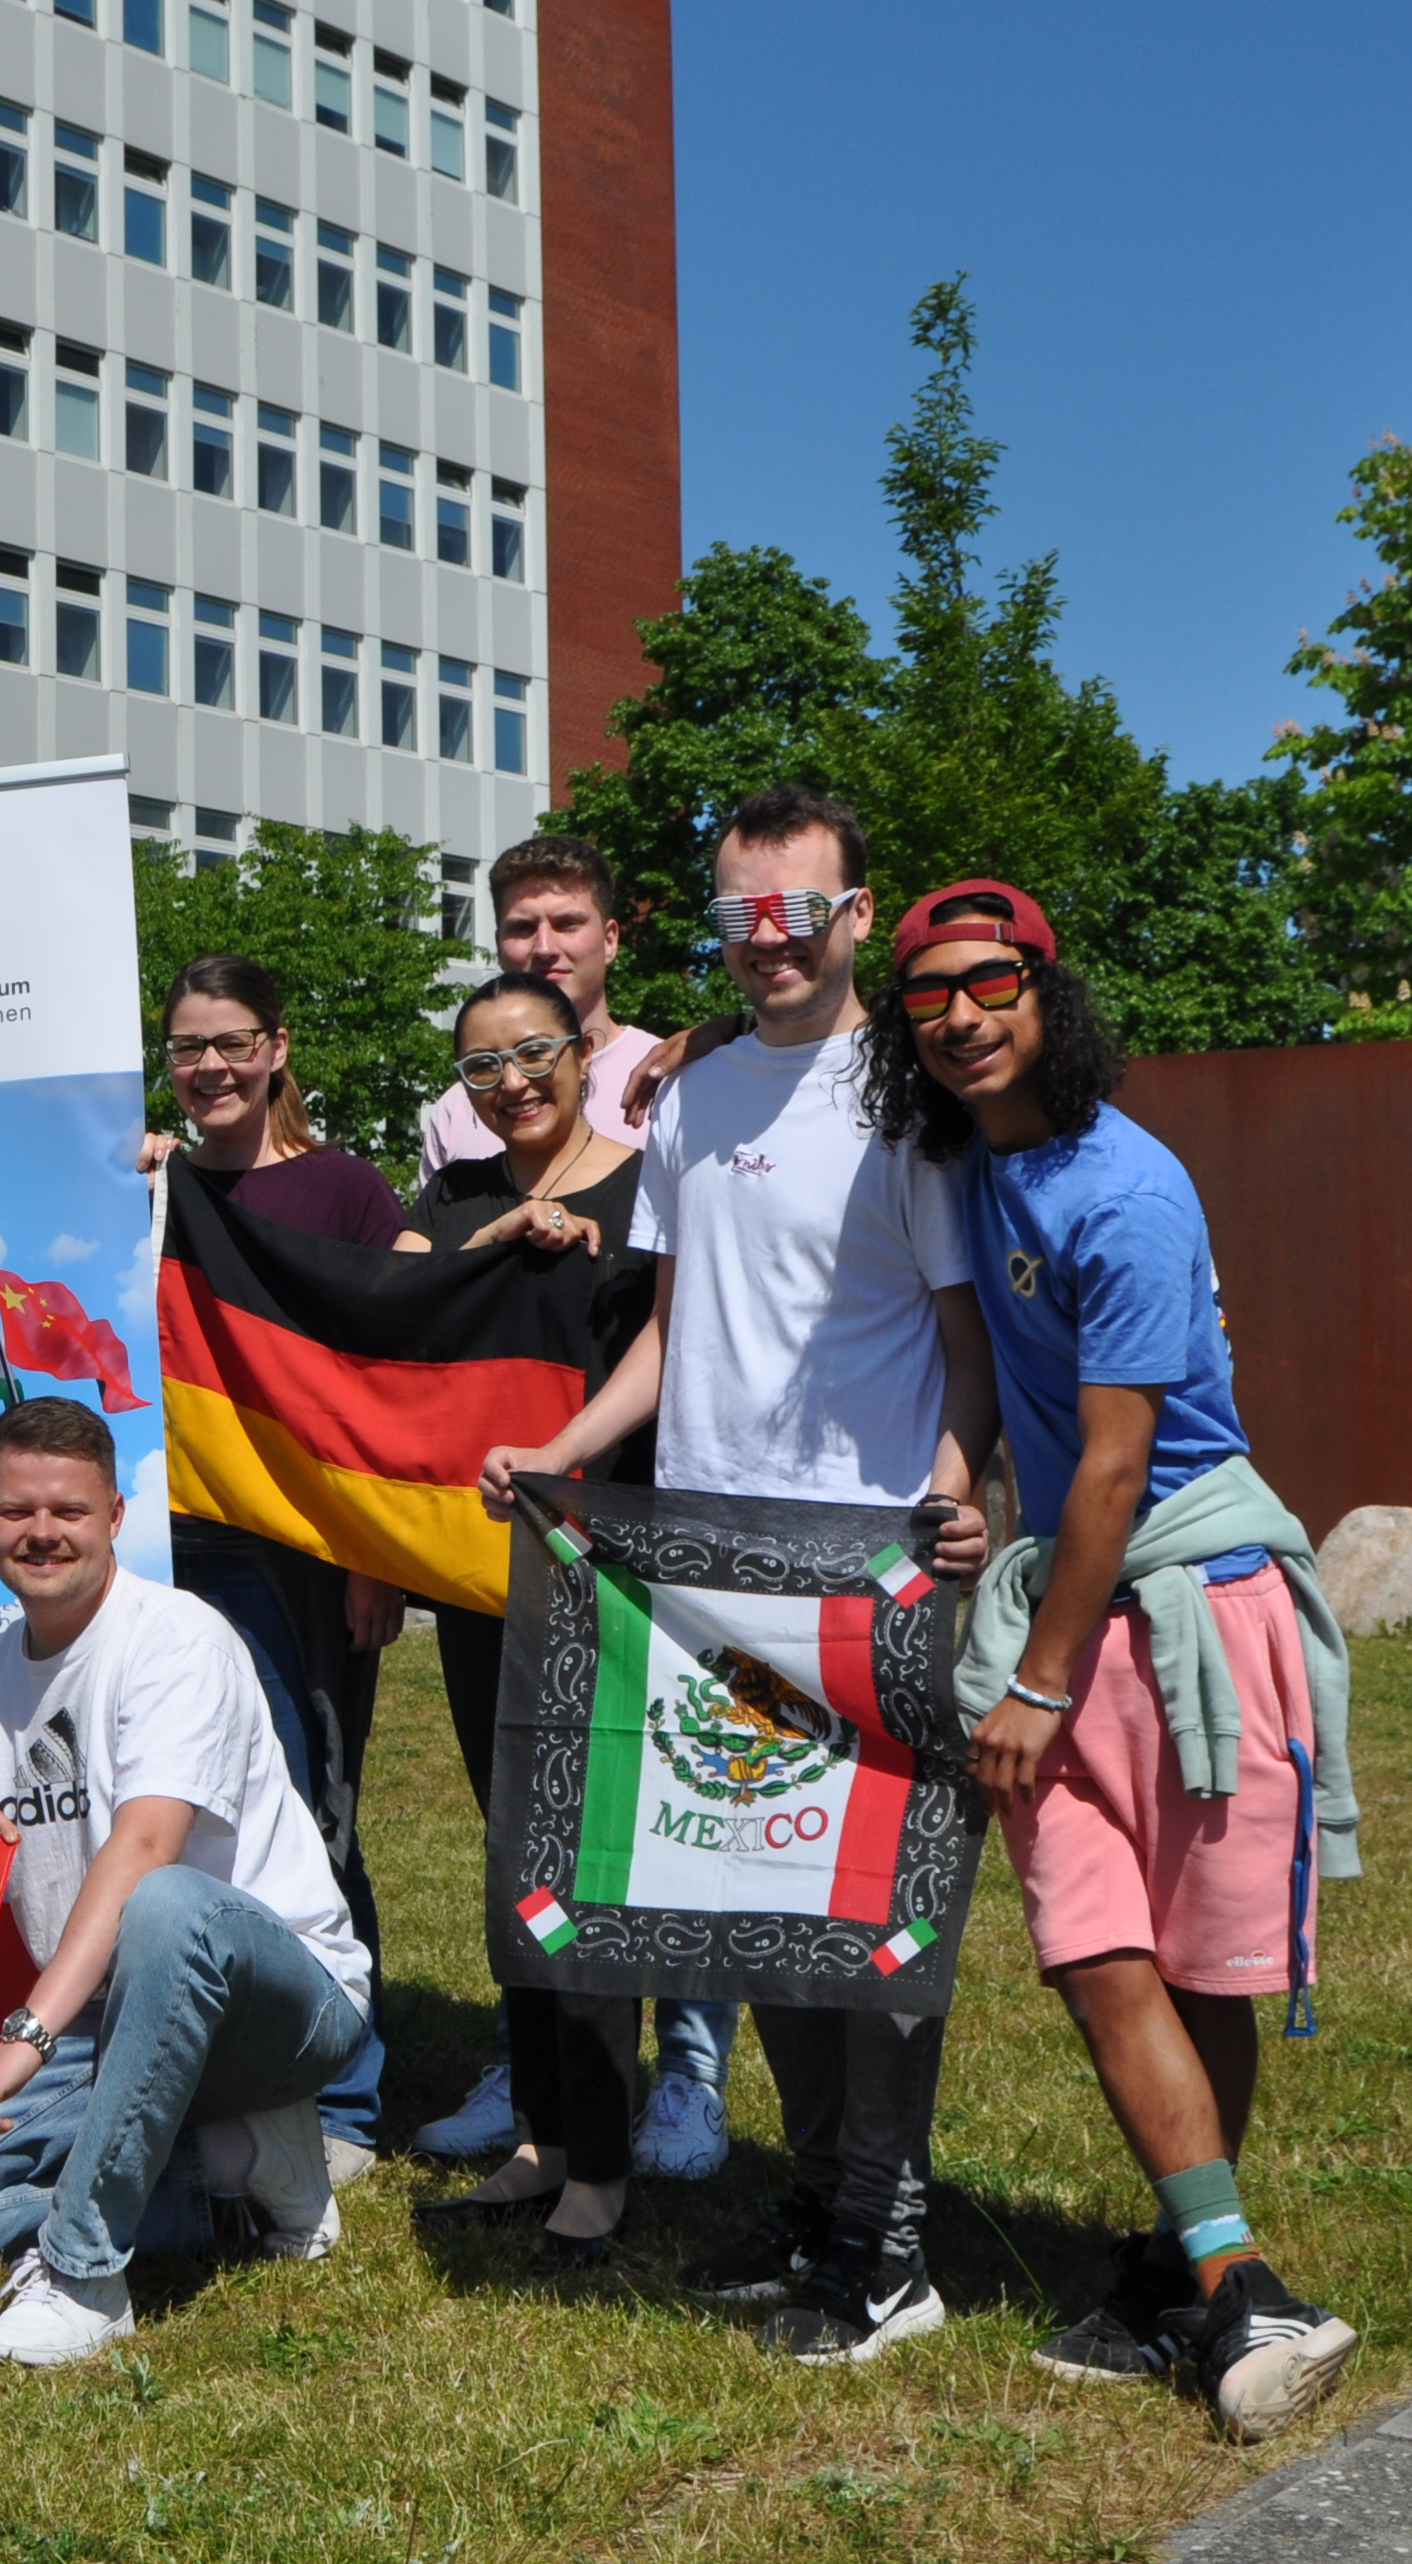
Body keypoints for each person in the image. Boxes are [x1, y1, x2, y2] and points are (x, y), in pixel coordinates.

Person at [478, 785, 997, 2354]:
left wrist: (964, 1489)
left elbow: (969, 1345)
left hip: (875, 1566)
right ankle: (827, 2204)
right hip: (709, 1569)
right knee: (768, 1896)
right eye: (736, 917)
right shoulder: (690, 1099)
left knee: (878, 1912)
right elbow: (670, 1328)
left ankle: (889, 2250)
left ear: (853, 916)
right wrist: (569, 1449)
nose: (764, 944)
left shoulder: (910, 1099)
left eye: (794, 913)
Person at [874, 879, 1363, 2442]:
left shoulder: (1126, 1191)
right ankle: (1235, 2290)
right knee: (1095, 1951)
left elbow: (1110, 1469)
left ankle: (1184, 2270)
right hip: (1075, 1598)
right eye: (930, 995)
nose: (961, 1015)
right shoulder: (978, 1161)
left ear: (1050, 994)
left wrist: (1032, 1685)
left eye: (992, 983)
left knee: (1201, 1959)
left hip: (1188, 1614)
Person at [0, 1398, 376, 2366]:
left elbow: (143, 1851)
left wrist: (21, 2041)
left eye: (69, 1511)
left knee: (166, 1903)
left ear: (116, 1516)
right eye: (17, 1511)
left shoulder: (175, 1636)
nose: (41, 1532)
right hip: (98, 2022)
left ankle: (85, 2272)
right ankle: (233, 2166)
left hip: (278, 2002)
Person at [388, 974, 662, 2260]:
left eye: (535, 1053)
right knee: (518, 1858)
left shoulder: (644, 1184)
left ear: (580, 1051)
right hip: (482, 1577)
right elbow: (387, 1315)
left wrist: (596, 1248)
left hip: (606, 1568)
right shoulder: (453, 1199)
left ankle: (602, 2167)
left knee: (586, 1858)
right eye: (484, 1067)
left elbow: (678, 1343)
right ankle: (545, 2138)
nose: (513, 1083)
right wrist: (484, 1244)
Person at [151, 952, 404, 2177]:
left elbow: (378, 1392)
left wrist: (371, 1558)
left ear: (277, 1045)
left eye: (230, 1041)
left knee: (310, 1811)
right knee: (175, 1811)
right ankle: (214, 2070)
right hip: (159, 1550)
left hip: (298, 1556)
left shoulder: (346, 1193)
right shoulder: (145, 1191)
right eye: (188, 1047)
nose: (209, 1067)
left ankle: (346, 2096)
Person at [416, 835, 658, 1175]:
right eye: (523, 928)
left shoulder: (671, 1083)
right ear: (499, 946)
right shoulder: (459, 1109)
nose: (545, 947)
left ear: (609, 940)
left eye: (567, 924)